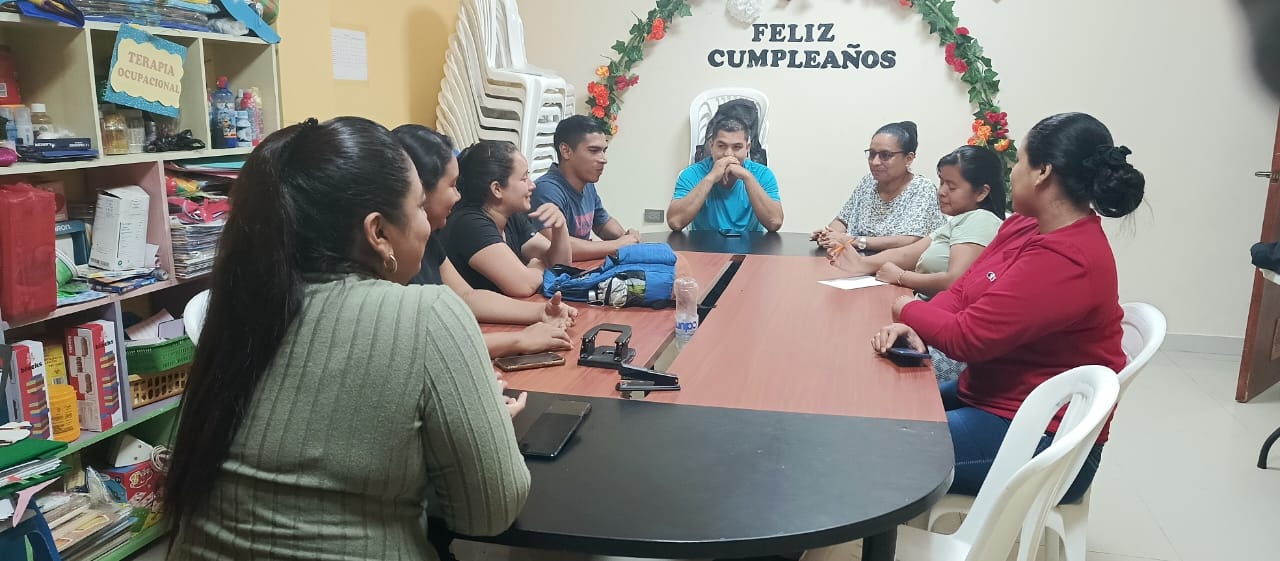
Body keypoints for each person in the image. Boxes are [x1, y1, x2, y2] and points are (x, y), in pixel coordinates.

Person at [165, 117, 530, 561]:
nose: (427, 224)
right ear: (378, 233)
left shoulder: (240, 305)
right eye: (419, 207)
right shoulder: (428, 312)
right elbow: (489, 514)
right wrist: (484, 429)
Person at [869, 112, 1145, 504]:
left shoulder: (1069, 258)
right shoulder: (1025, 225)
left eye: (1019, 161)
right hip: (994, 396)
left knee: (876, 446)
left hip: (1043, 438)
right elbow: (963, 292)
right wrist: (918, 326)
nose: (1011, 172)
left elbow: (967, 338)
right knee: (873, 412)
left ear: (1043, 172)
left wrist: (904, 307)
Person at [394, 124, 578, 358]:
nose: (457, 196)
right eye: (452, 185)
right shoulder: (466, 222)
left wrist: (541, 312)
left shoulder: (428, 237)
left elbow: (467, 297)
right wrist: (518, 340)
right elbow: (420, 345)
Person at [829, 145, 1006, 298]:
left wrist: (901, 277)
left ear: (981, 192)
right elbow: (907, 254)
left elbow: (955, 281)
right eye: (942, 183)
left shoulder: (981, 219)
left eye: (951, 187)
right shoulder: (957, 221)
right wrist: (860, 264)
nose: (941, 192)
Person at [443, 140, 574, 297]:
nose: (532, 185)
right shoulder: (470, 223)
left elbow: (561, 267)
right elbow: (523, 285)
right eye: (524, 178)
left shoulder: (511, 216)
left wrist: (560, 228)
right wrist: (538, 266)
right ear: (497, 189)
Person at [814, 121, 945, 253]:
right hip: (858, 259)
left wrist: (852, 241)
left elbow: (911, 240)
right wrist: (829, 236)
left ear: (908, 159)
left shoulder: (922, 188)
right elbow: (842, 220)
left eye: (885, 155)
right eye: (872, 154)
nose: (875, 162)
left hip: (901, 263)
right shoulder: (868, 182)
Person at [533, 115, 642, 260]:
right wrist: (617, 245)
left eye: (604, 151)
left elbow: (603, 223)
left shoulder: (587, 184)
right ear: (566, 151)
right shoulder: (546, 190)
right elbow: (555, 245)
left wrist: (627, 237)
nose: (603, 159)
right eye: (594, 150)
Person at [666, 116, 784, 233]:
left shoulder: (763, 174)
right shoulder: (692, 173)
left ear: (747, 148)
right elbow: (675, 222)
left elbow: (774, 223)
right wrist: (710, 178)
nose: (728, 154)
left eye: (737, 147)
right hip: (704, 243)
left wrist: (747, 177)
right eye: (721, 146)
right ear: (711, 146)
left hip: (751, 243)